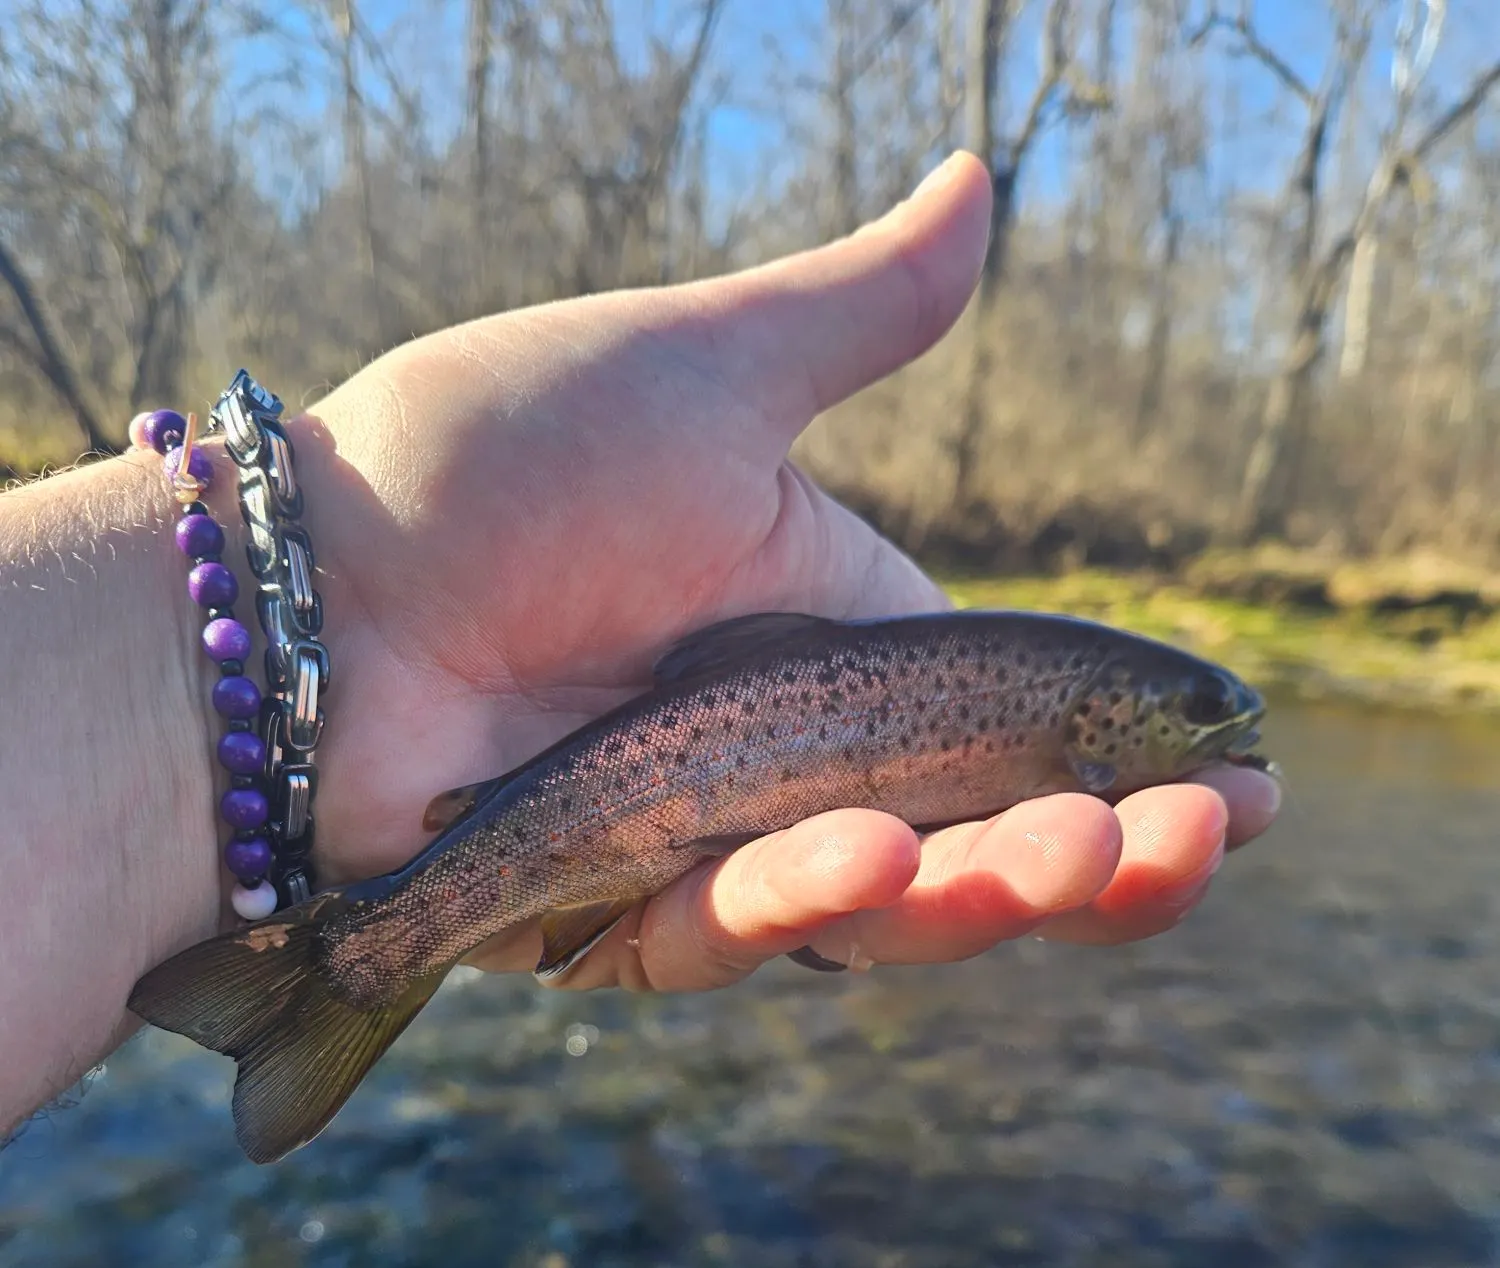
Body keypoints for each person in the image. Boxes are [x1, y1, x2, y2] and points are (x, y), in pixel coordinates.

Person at [0, 151, 1279, 1140]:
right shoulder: (1066, 707)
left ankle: (356, 958)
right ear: (1111, 720)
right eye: (1202, 707)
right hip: (592, 808)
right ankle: (360, 960)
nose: (1225, 720)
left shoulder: (1067, 714)